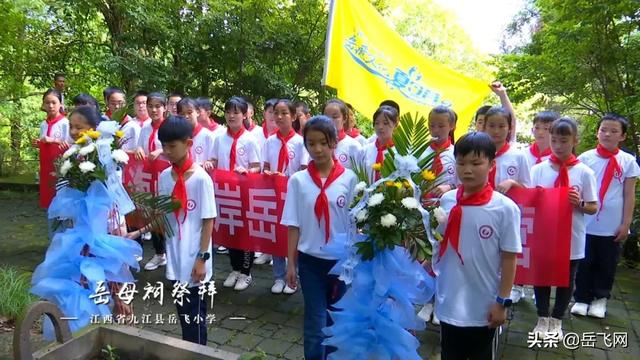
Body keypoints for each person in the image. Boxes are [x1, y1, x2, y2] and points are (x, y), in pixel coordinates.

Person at [128, 116, 216, 345]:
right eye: (163, 146)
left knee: (195, 318)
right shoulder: (165, 177)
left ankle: (198, 353)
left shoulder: (201, 180)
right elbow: (164, 218)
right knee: (184, 314)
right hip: (175, 258)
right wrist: (137, 233)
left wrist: (202, 258)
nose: (167, 151)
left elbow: (208, 221)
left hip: (195, 258)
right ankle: (189, 350)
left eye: (172, 146)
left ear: (188, 144)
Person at [434, 131, 521, 360]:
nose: (467, 169)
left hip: (484, 307)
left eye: (476, 162)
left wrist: (502, 301)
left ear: (491, 165)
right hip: (449, 301)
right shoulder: (448, 200)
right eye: (461, 163)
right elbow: (440, 243)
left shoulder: (505, 208)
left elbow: (510, 258)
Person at [282, 115, 356, 360]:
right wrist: (291, 263)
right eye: (311, 143)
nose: (318, 149)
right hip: (310, 262)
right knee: (315, 322)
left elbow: (355, 224)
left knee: (337, 320)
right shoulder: (298, 181)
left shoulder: (350, 180)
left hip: (341, 264)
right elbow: (293, 224)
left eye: (323, 142)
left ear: (334, 142)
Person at [530, 117, 598, 339]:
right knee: (542, 276)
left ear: (575, 141)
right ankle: (542, 316)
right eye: (554, 140)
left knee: (566, 278)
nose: (558, 146)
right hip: (544, 234)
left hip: (572, 236)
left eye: (564, 141)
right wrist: (537, 197)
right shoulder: (539, 169)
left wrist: (578, 202)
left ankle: (557, 319)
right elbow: (529, 201)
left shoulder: (584, 172)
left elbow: (593, 206)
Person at [572, 114, 640, 318]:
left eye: (613, 131)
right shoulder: (585, 158)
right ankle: (581, 298)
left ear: (623, 136)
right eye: (603, 130)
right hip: (586, 221)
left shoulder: (628, 161)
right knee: (584, 262)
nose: (607, 134)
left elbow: (629, 194)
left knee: (607, 263)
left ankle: (600, 299)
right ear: (597, 132)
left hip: (612, 224)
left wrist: (626, 223)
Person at [509, 110, 560, 304]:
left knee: (538, 250)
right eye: (537, 128)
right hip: (522, 209)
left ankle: (540, 289)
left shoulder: (557, 159)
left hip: (545, 212)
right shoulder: (522, 154)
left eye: (546, 129)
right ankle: (517, 284)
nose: (540, 132)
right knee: (519, 245)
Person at [211, 96, 261, 291]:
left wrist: (247, 172)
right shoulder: (219, 138)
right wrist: (210, 164)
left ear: (244, 115)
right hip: (225, 193)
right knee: (229, 231)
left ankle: (246, 272)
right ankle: (235, 268)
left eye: (236, 112)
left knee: (244, 233)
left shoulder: (250, 140)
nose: (231, 116)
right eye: (228, 112)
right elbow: (214, 161)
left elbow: (257, 167)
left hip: (244, 193)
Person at [262, 99, 309, 294]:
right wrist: (268, 174)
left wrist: (287, 178)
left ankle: (294, 274)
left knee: (293, 232)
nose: (279, 117)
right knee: (275, 234)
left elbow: (305, 169)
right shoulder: (269, 141)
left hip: (294, 195)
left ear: (294, 116)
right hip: (273, 195)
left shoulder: (300, 142)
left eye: (284, 113)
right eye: (276, 113)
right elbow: (265, 166)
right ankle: (278, 276)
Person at [135, 92, 171, 271]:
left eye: (158, 106)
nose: (154, 110)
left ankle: (172, 254)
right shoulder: (145, 128)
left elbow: (177, 152)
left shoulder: (171, 127)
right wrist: (139, 150)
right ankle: (159, 254)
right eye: (151, 106)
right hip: (149, 178)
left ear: (165, 108)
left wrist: (160, 152)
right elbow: (140, 147)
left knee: (167, 215)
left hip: (167, 178)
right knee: (153, 213)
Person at [484, 106, 530, 193]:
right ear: (485, 127)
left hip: (510, 204)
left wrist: (512, 182)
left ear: (509, 128)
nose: (496, 131)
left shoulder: (518, 155)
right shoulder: (478, 153)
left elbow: (527, 188)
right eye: (491, 126)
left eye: (501, 126)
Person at [359, 105, 398, 183]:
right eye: (377, 123)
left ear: (395, 125)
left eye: (385, 123)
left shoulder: (401, 152)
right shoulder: (365, 150)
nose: (380, 127)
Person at [322, 99, 362, 170]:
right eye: (326, 117)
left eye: (335, 117)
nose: (330, 121)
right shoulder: (318, 145)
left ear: (345, 118)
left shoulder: (353, 146)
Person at [177, 97, 216, 170]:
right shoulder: (178, 136)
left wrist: (209, 163)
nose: (186, 117)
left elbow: (215, 160)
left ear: (197, 112)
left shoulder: (208, 136)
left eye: (189, 112)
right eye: (182, 114)